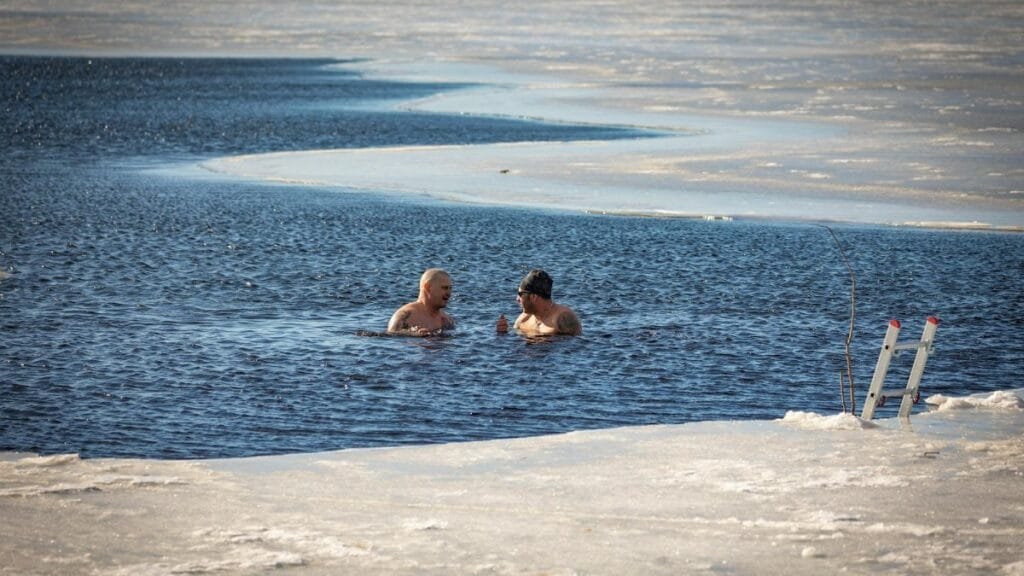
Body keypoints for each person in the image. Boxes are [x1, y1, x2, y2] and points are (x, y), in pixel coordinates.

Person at [496, 269, 581, 336]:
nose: (517, 299)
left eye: (520, 294)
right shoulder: (523, 319)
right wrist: (503, 332)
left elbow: (574, 351)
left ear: (534, 297)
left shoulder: (563, 318)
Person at [387, 268, 456, 336]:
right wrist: (414, 334)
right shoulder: (406, 316)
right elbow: (392, 337)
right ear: (428, 287)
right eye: (444, 288)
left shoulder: (447, 320)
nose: (449, 293)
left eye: (450, 288)